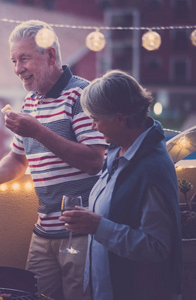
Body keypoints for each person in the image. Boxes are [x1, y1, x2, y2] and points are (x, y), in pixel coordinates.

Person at [0, 20, 106, 300]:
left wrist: (38, 131)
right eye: (14, 61)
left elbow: (94, 160)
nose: (18, 69)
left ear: (50, 55)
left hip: (81, 233)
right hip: (43, 234)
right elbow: (18, 159)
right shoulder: (30, 103)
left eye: (24, 58)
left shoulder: (82, 95)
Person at [59, 70, 182, 300]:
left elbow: (158, 247)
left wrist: (98, 226)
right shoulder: (119, 150)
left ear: (119, 118)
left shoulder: (151, 168)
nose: (93, 126)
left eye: (95, 118)